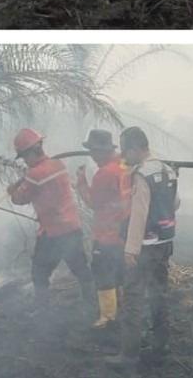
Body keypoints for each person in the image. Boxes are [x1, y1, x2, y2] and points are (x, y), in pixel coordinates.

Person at [106, 126, 179, 374]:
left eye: (126, 151)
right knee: (160, 295)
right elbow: (175, 203)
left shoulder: (141, 175)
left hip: (145, 246)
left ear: (136, 149)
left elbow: (139, 214)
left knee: (133, 301)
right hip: (164, 244)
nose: (123, 158)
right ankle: (161, 348)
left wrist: (131, 250)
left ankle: (129, 356)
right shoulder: (168, 169)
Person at [8, 128, 95, 315]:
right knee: (81, 269)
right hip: (72, 227)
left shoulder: (34, 175)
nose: (25, 160)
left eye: (24, 156)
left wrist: (12, 190)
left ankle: (43, 311)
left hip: (53, 233)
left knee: (39, 273)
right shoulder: (58, 164)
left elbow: (20, 199)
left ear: (30, 152)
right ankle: (92, 305)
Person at [75, 129, 130, 328]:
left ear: (100, 151)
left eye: (92, 150)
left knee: (103, 273)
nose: (90, 154)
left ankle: (108, 317)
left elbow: (93, 202)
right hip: (125, 233)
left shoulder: (104, 173)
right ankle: (122, 308)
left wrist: (81, 182)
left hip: (107, 235)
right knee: (120, 273)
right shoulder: (123, 166)